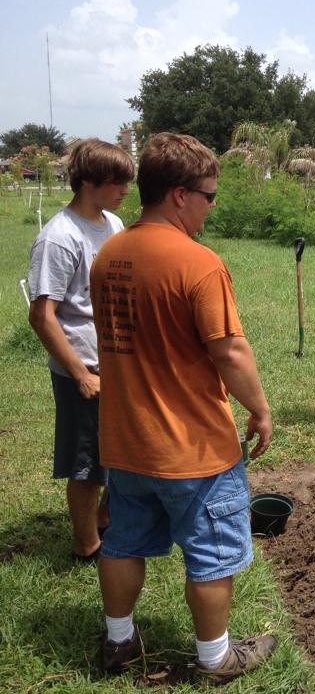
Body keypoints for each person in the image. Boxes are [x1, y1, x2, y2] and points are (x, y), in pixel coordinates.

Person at [90, 133, 276, 682]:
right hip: (193, 450)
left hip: (125, 442)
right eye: (209, 196)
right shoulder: (198, 264)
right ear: (179, 195)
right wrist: (261, 410)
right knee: (213, 554)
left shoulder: (108, 256)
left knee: (122, 543)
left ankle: (119, 641)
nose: (210, 207)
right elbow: (230, 351)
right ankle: (216, 659)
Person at [27, 138, 134, 563]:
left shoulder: (113, 224)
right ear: (88, 181)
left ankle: (105, 519)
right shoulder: (59, 238)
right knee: (87, 463)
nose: (125, 189)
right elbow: (42, 316)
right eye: (117, 181)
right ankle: (86, 546)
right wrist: (80, 373)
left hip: (116, 362)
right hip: (84, 368)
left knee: (120, 452)